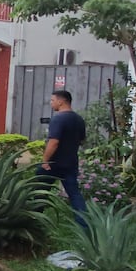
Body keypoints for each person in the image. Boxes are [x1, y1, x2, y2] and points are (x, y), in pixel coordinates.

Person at [38, 90, 87, 226]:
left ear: (61, 101)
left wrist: (45, 161)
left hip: (53, 164)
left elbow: (53, 142)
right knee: (75, 194)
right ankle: (84, 226)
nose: (51, 103)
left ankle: (34, 220)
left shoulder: (58, 118)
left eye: (52, 100)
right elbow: (81, 140)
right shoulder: (78, 119)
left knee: (38, 191)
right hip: (70, 163)